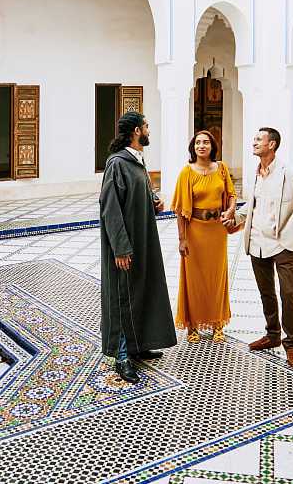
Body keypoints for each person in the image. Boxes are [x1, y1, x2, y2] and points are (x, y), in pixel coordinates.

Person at [226, 127, 293, 368]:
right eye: (255, 138)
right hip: (257, 240)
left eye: (259, 139)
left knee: (288, 293)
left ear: (272, 144)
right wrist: (237, 218)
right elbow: (254, 203)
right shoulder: (257, 172)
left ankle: (291, 344)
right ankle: (272, 335)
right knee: (266, 291)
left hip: (283, 243)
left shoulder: (289, 172)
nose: (254, 142)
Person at [99, 111, 177, 384]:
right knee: (122, 295)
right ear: (135, 131)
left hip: (143, 238)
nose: (148, 131)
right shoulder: (117, 163)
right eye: (146, 127)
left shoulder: (137, 162)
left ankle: (139, 345)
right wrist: (120, 248)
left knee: (141, 289)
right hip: (126, 244)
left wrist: (152, 201)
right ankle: (122, 356)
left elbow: (135, 195)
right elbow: (111, 208)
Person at [170, 130, 236, 344]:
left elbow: (232, 194)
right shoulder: (186, 172)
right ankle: (193, 325)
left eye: (206, 142)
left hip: (217, 231)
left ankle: (218, 324)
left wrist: (231, 210)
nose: (202, 146)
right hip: (195, 232)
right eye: (198, 142)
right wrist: (182, 239)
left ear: (212, 146)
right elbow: (180, 210)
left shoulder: (222, 169)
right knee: (194, 279)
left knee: (217, 278)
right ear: (193, 147)